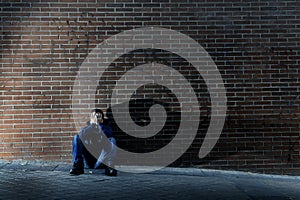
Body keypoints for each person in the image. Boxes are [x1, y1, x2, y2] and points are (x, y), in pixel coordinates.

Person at [70, 108, 117, 176]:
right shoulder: (86, 129)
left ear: (102, 119)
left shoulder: (106, 128)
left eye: (98, 116)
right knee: (76, 137)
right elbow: (80, 136)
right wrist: (93, 125)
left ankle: (110, 167)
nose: (96, 118)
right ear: (91, 119)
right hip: (87, 162)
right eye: (94, 116)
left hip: (101, 161)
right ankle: (78, 166)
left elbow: (107, 135)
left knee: (112, 140)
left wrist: (99, 125)